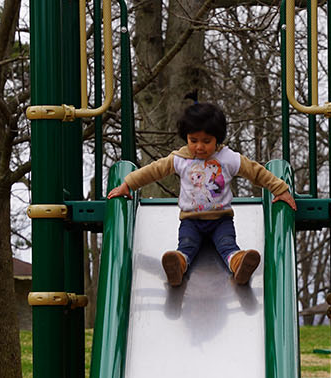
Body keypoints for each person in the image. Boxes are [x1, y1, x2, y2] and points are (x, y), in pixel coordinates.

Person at [108, 102, 296, 286]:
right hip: (191, 220)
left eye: (206, 141)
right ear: (186, 138)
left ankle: (239, 264)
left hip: (221, 219)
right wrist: (128, 184)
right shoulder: (180, 159)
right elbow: (153, 170)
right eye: (193, 140)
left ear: (217, 139)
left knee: (227, 244)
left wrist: (280, 189)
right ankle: (177, 266)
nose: (199, 147)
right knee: (186, 246)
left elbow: (256, 171)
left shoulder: (227, 158)